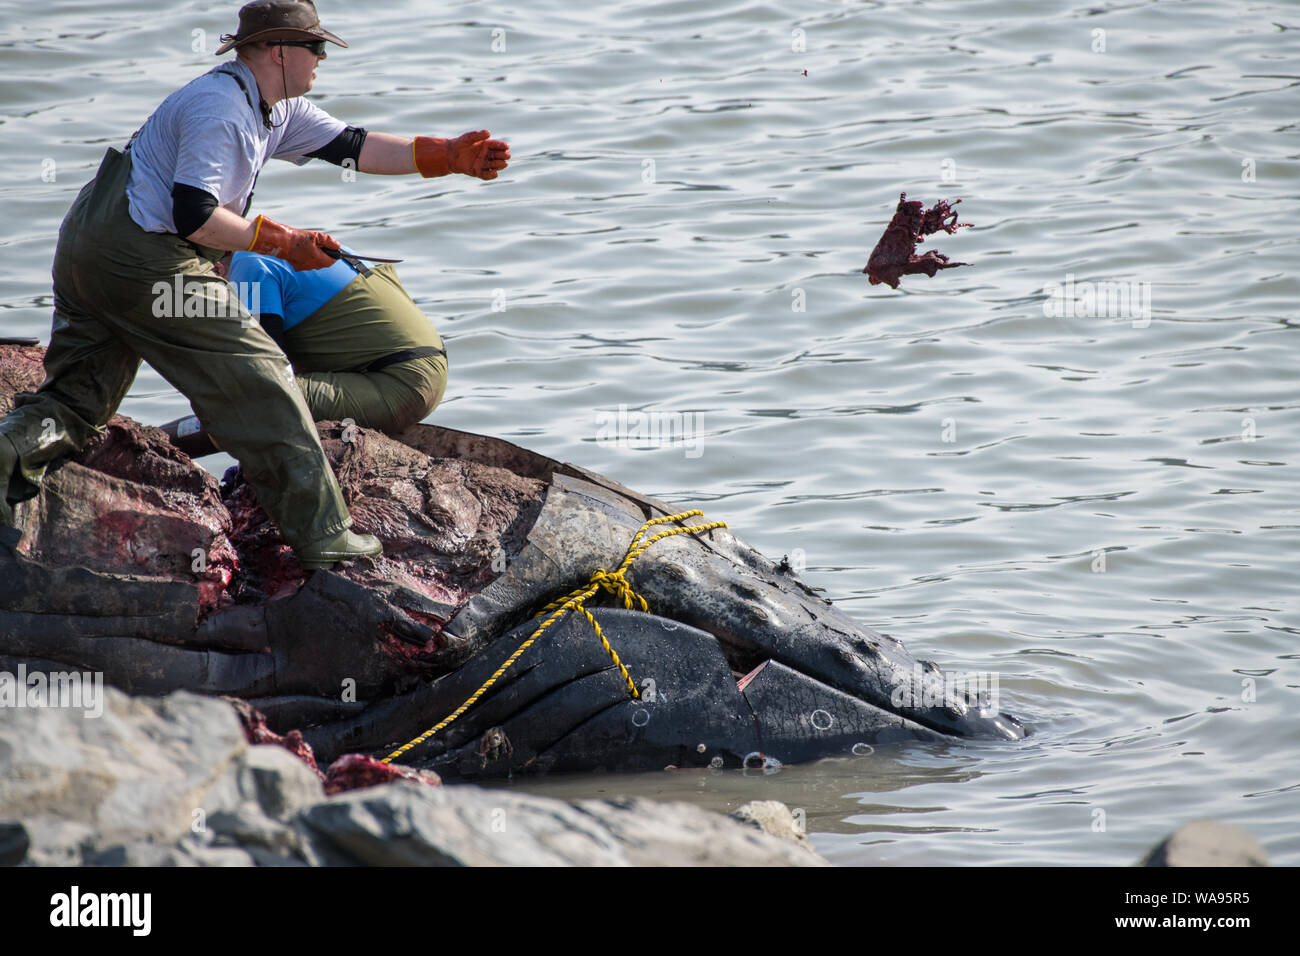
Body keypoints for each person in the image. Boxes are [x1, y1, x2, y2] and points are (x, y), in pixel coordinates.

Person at [0, 0, 509, 570]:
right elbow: (195, 216)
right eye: (314, 48)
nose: (321, 58)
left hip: (89, 245)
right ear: (278, 52)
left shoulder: (270, 107)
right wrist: (282, 242)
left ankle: (6, 458)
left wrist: (446, 157)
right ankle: (323, 537)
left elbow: (354, 145)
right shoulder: (222, 110)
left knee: (74, 401)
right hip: (144, 260)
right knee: (263, 379)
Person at [161, 248, 448, 457]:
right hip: (419, 372)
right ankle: (158, 443)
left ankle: (157, 449)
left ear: (213, 267)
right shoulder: (275, 247)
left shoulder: (249, 265)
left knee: (251, 404)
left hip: (400, 382)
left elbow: (264, 373)